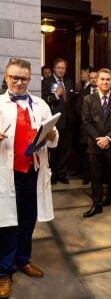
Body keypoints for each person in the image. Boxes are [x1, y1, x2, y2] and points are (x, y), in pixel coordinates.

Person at [0, 58, 58, 298]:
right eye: (15, 77)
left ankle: (23, 260)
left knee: (28, 219)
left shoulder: (40, 104)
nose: (19, 82)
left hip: (33, 172)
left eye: (24, 78)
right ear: (6, 77)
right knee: (6, 224)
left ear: (30, 79)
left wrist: (53, 134)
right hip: (7, 173)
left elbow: (54, 138)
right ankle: (4, 272)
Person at [82, 68, 111, 221]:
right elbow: (86, 122)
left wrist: (108, 138)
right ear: (96, 81)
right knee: (96, 178)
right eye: (102, 79)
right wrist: (99, 139)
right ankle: (97, 205)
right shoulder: (88, 99)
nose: (105, 82)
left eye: (108, 79)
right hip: (95, 146)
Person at [42, 57, 74, 184]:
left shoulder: (69, 82)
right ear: (54, 68)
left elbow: (71, 102)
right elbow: (44, 100)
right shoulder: (46, 82)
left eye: (63, 68)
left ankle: (62, 174)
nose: (61, 70)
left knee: (65, 150)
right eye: (59, 68)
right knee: (53, 150)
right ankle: (53, 175)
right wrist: (56, 95)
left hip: (68, 122)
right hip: (54, 121)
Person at [75, 68, 98, 185]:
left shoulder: (104, 92)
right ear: (89, 79)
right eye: (92, 78)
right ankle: (86, 176)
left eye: (96, 77)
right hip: (86, 129)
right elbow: (78, 110)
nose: (94, 80)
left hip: (100, 130)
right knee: (86, 155)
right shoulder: (84, 93)